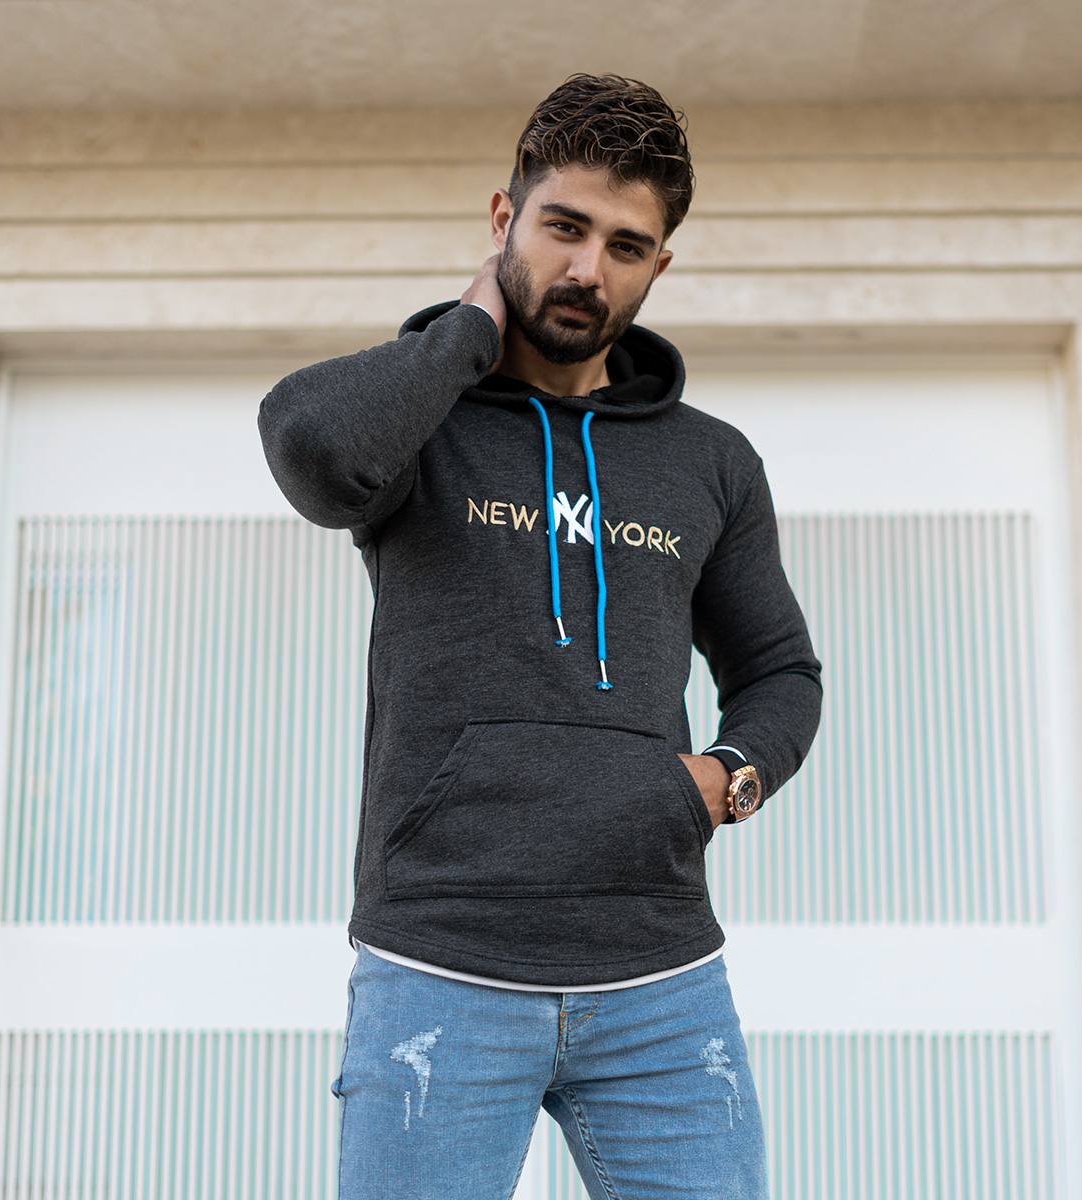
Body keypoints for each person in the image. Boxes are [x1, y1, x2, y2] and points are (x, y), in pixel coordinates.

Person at [259, 73, 822, 1200]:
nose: (587, 269)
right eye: (563, 226)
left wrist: (722, 782)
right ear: (503, 216)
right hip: (440, 963)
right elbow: (312, 450)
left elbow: (779, 672)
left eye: (625, 246)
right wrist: (466, 333)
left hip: (662, 979)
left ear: (658, 267)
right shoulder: (420, 424)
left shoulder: (710, 461)